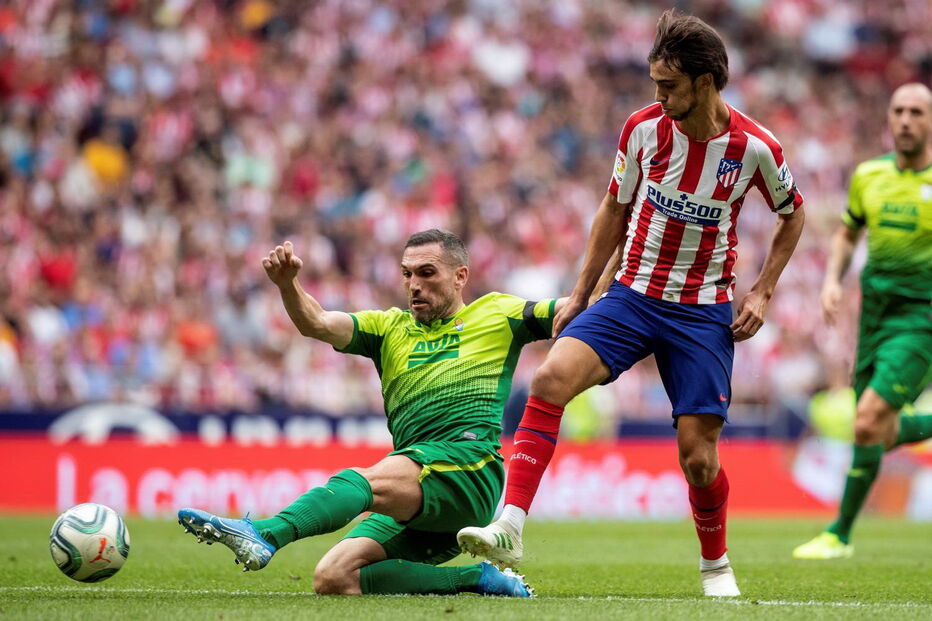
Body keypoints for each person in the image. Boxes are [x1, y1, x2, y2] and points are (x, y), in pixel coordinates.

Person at [457, 10, 805, 598]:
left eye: (668, 85)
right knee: (549, 380)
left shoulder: (755, 148)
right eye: (655, 84)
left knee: (698, 459)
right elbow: (614, 208)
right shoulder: (642, 129)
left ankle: (716, 566)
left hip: (702, 311)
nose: (658, 96)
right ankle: (510, 526)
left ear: (704, 82)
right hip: (633, 295)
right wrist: (581, 291)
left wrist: (764, 288)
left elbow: (793, 213)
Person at [178, 229, 566, 597]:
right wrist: (287, 285)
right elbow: (317, 322)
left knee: (363, 481)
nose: (414, 284)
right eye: (407, 274)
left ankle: (265, 534)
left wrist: (605, 292)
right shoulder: (387, 328)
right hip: (418, 484)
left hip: (468, 470)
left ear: (460, 276)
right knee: (334, 577)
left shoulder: (497, 313)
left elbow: (570, 310)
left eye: (426, 273)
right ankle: (480, 578)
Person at [793, 83, 932, 560]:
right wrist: (832, 280)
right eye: (899, 111)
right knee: (873, 428)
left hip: (920, 321)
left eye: (917, 112)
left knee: (870, 418)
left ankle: (839, 533)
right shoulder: (869, 175)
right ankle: (840, 536)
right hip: (872, 319)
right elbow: (848, 233)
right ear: (889, 118)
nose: (906, 120)